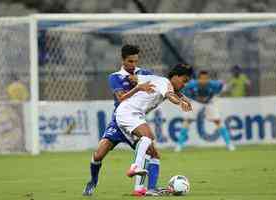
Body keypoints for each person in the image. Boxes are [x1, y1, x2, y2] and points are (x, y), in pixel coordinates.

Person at [83, 44, 160, 197]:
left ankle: (151, 189)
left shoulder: (144, 74)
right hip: (119, 121)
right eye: (130, 61)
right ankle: (93, 180)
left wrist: (141, 82)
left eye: (135, 61)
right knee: (99, 154)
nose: (133, 65)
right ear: (123, 60)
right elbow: (121, 97)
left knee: (153, 152)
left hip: (135, 120)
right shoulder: (115, 77)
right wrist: (138, 86)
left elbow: (158, 87)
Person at [114, 65, 193, 194]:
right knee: (148, 137)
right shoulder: (165, 83)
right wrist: (180, 102)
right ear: (175, 77)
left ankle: (144, 189)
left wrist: (184, 98)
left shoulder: (157, 80)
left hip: (129, 113)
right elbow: (170, 95)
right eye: (184, 80)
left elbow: (132, 78)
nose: (184, 84)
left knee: (153, 153)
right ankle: (134, 167)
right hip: (129, 112)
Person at [180, 70, 236, 151]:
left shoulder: (214, 84)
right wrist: (191, 97)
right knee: (187, 120)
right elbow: (183, 89)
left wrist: (218, 91)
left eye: (206, 78)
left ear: (209, 79)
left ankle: (229, 144)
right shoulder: (192, 84)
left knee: (218, 121)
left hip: (209, 102)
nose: (204, 81)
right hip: (196, 102)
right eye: (202, 79)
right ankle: (179, 145)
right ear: (198, 79)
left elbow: (221, 86)